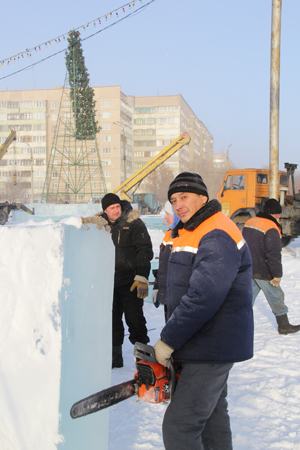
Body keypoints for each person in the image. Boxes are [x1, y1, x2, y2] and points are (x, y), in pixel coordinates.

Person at [153, 172, 254, 450]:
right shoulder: (190, 230)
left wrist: (168, 339)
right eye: (173, 200)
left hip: (212, 343)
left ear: (203, 197)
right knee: (212, 420)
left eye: (184, 197)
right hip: (201, 341)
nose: (178, 205)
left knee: (180, 427)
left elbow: (203, 296)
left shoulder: (216, 232)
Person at [101, 193, 153, 368]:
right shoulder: (100, 225)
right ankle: (115, 358)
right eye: (112, 208)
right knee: (113, 321)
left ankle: (144, 359)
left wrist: (142, 276)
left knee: (135, 320)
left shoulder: (133, 223)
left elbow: (144, 250)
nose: (116, 211)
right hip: (110, 283)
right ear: (105, 211)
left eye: (118, 207)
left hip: (131, 281)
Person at [242, 198, 300, 335]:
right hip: (264, 270)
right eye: (277, 214)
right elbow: (273, 253)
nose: (279, 216)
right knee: (276, 296)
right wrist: (277, 275)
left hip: (250, 268)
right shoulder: (271, 227)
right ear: (272, 214)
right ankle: (284, 326)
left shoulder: (250, 221)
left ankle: (237, 325)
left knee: (246, 299)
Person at [152, 201, 180, 321]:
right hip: (169, 297)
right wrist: (157, 287)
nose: (165, 217)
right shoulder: (168, 235)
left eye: (168, 213)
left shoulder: (184, 236)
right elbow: (163, 266)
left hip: (179, 298)